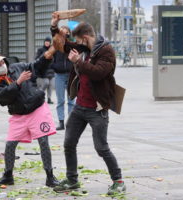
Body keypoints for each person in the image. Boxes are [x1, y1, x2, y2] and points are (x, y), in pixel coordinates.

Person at [50, 14, 126, 195]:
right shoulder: (85, 46)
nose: (77, 43)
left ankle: (119, 181)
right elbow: (64, 46)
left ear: (85, 37)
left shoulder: (106, 51)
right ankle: (72, 180)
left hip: (97, 108)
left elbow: (98, 73)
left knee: (101, 147)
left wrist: (78, 62)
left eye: (78, 39)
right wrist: (54, 28)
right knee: (69, 143)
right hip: (80, 107)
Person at [0, 48, 60, 188]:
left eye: (3, 61)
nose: (2, 64)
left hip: (37, 109)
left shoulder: (18, 67)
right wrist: (17, 83)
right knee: (10, 145)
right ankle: (8, 175)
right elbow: (3, 98)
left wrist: (47, 56)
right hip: (18, 114)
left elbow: (36, 66)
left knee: (43, 141)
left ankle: (50, 176)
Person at [50, 26, 75, 130]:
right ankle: (61, 122)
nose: (65, 33)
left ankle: (70, 122)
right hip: (59, 74)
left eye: (67, 32)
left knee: (71, 100)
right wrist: (54, 66)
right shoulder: (56, 45)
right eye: (63, 32)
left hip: (70, 74)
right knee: (60, 100)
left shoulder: (72, 45)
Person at [35, 37, 55, 104]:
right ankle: (39, 95)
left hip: (51, 70)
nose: (47, 43)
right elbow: (37, 58)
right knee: (46, 83)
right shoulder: (40, 49)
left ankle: (49, 98)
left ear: (50, 43)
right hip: (44, 70)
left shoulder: (52, 50)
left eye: (48, 42)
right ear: (44, 42)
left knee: (51, 85)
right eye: (46, 41)